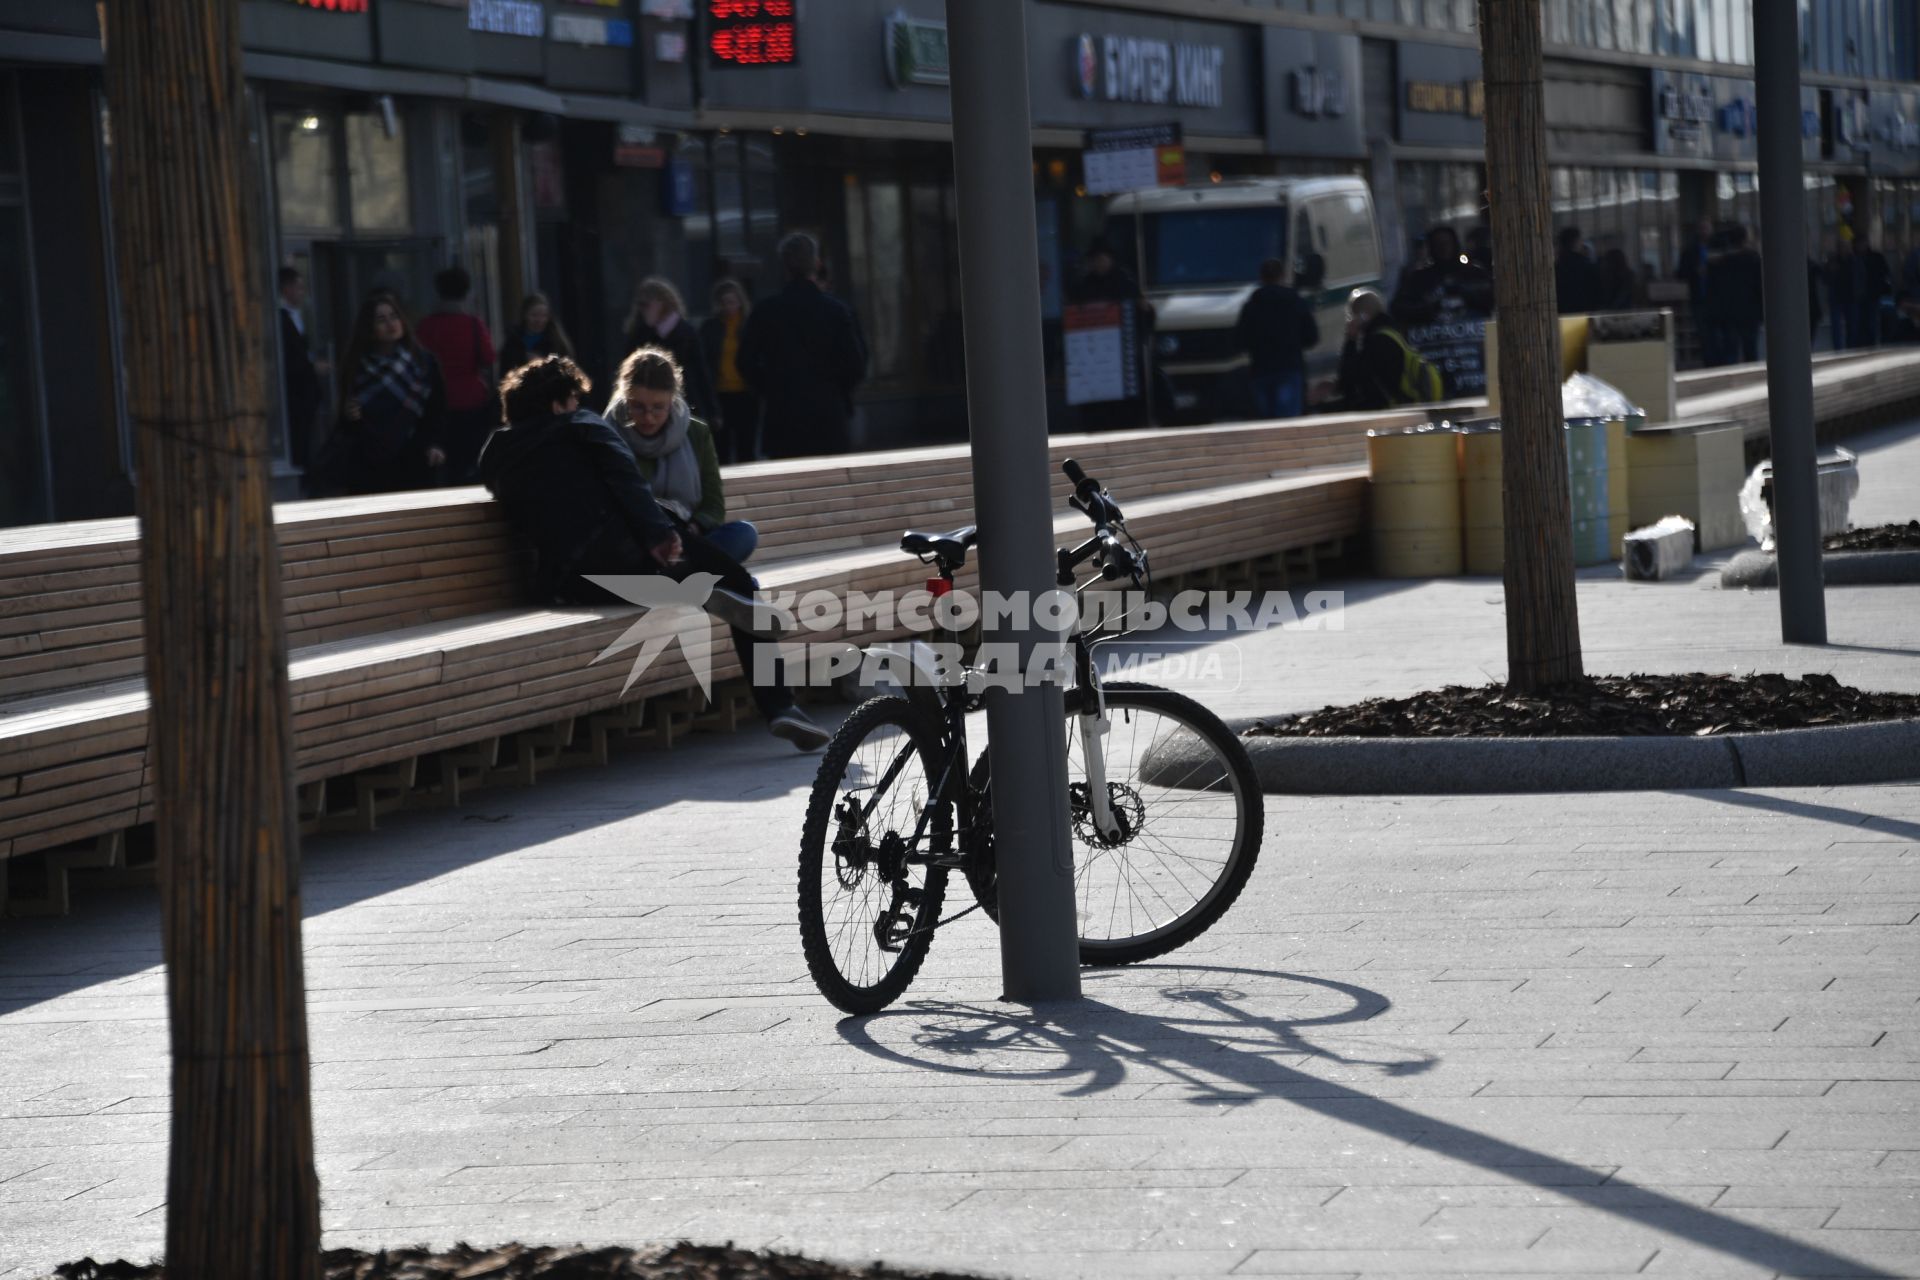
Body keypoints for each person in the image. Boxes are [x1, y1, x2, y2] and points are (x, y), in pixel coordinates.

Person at [476, 355, 828, 751]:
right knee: (740, 582)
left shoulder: (496, 455)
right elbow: (626, 480)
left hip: (573, 582)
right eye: (573, 400)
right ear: (559, 403)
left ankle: (686, 590)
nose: (577, 406)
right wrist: (659, 533)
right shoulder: (580, 426)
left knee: (665, 582)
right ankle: (779, 705)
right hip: (631, 549)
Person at [605, 346, 757, 565]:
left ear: (672, 401)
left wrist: (692, 528)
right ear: (624, 398)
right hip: (636, 541)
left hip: (688, 538)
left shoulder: (697, 433)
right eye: (637, 407)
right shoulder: (606, 434)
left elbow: (713, 506)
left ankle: (685, 572)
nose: (648, 417)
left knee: (743, 533)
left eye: (658, 407)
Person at [738, 232, 869, 459]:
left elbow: (744, 361)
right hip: (829, 416)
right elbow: (856, 364)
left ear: (785, 267)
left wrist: (769, 388)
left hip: (783, 417)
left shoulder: (766, 311)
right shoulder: (837, 311)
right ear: (816, 264)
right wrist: (836, 390)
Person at [314, 290, 447, 496]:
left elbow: (437, 409)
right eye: (381, 320)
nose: (390, 324)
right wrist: (351, 416)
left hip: (415, 459)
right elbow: (347, 423)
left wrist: (435, 444)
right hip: (370, 464)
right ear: (370, 328)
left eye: (394, 317)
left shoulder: (422, 363)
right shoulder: (356, 366)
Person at [414, 265, 497, 483]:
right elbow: (488, 358)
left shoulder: (426, 326)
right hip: (471, 399)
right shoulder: (472, 324)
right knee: (471, 457)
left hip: (437, 401)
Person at [623, 277, 718, 428]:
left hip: (684, 402)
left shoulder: (685, 333)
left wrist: (712, 411)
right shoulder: (639, 333)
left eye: (646, 304)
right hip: (649, 404)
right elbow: (627, 372)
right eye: (640, 305)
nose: (643, 309)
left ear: (662, 303)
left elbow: (701, 373)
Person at [1326, 288, 1441, 412]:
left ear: (1362, 316)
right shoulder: (1392, 333)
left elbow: (1349, 382)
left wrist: (1351, 340)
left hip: (1390, 411)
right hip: (1404, 405)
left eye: (1352, 316)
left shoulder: (1377, 342)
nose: (1350, 321)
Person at [1234, 257, 1318, 420]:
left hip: (1261, 369)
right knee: (1288, 420)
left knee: (1266, 422)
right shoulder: (1295, 301)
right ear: (1283, 275)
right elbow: (1311, 337)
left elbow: (1240, 341)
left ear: (1262, 277)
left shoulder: (1252, 305)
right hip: (1289, 367)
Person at [700, 278, 759, 464]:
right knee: (721, 447)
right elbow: (705, 360)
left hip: (746, 393)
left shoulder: (749, 325)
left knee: (746, 445)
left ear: (740, 301)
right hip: (721, 394)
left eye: (732, 302)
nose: (728, 307)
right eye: (724, 303)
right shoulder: (711, 328)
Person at [277, 266, 327, 479]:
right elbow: (288, 359)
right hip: (293, 395)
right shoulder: (280, 318)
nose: (302, 291)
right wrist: (310, 367)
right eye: (298, 287)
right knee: (299, 440)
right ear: (286, 288)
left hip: (304, 394)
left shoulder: (297, 315)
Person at [1390, 226, 1494, 326]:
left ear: (1454, 244)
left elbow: (1492, 297)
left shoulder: (1474, 273)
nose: (1443, 247)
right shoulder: (1419, 279)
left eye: (1447, 242)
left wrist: (1467, 293)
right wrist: (1426, 308)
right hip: (1432, 338)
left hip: (1475, 336)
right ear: (1432, 247)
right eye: (1438, 243)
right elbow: (1398, 308)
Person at [1704, 225, 1764, 365]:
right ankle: (1752, 376)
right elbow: (1760, 285)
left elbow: (1713, 286)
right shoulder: (1753, 258)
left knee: (1730, 349)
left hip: (1728, 311)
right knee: (1750, 348)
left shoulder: (1720, 261)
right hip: (1750, 310)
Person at [497, 292, 575, 374]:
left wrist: (543, 363)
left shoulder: (557, 341)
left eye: (543, 316)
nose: (539, 320)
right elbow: (505, 372)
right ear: (525, 315)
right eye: (534, 315)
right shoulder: (513, 341)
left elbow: (567, 372)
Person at [1554, 226, 1602, 314]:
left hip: (1562, 317)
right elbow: (1598, 295)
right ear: (1577, 242)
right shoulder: (1587, 265)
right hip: (1586, 315)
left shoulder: (1556, 268)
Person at [1857, 235, 1892, 348]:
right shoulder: (1857, 258)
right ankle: (1865, 343)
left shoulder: (1875, 257)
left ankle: (1872, 343)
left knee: (1872, 321)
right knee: (1863, 321)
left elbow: (1884, 274)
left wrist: (1881, 288)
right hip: (1862, 295)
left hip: (1873, 295)